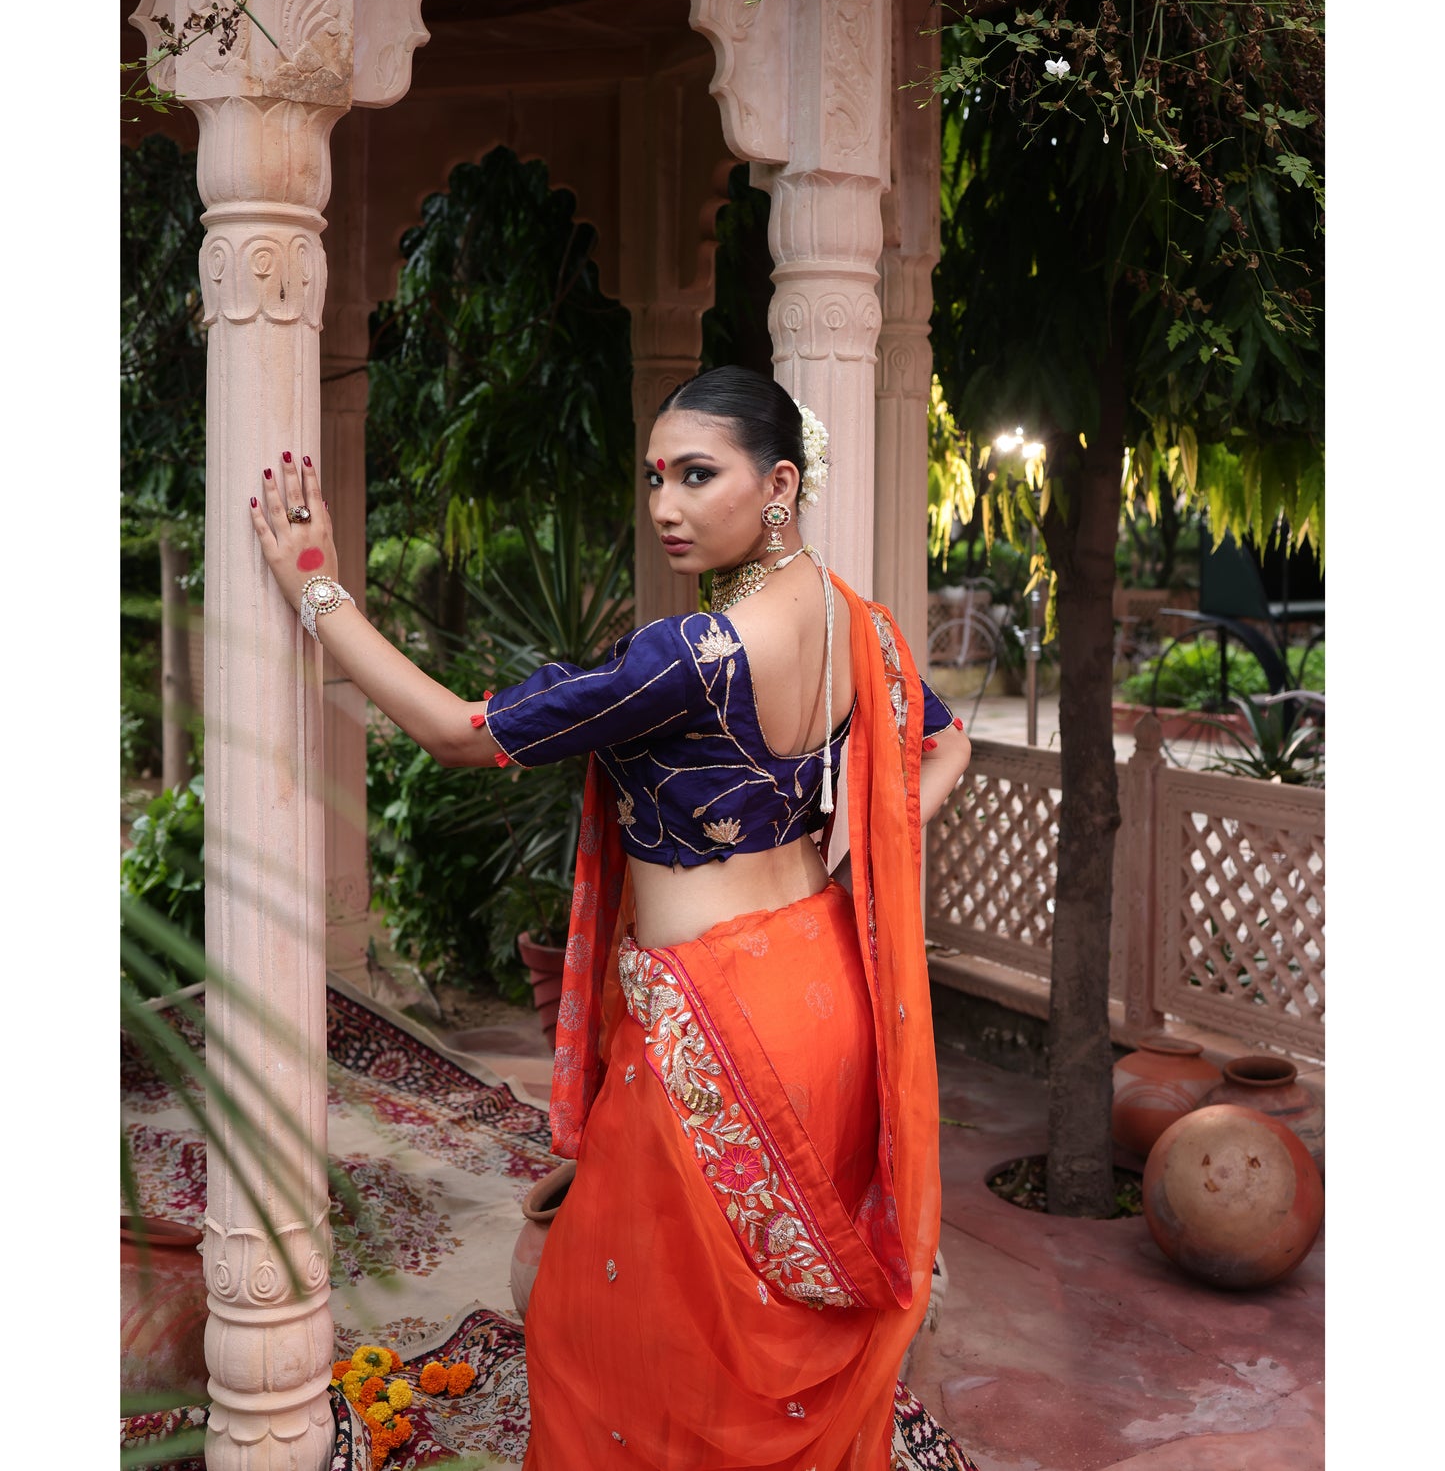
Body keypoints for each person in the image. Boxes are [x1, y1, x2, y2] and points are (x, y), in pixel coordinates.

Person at [249, 366, 974, 1471]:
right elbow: (946, 739)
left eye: (697, 474)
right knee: (760, 1323)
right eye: (654, 479)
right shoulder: (857, 626)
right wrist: (859, 860)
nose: (666, 505)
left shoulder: (692, 658)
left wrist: (317, 593)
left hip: (714, 1023)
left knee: (609, 1330)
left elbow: (454, 732)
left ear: (777, 484)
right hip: (821, 987)